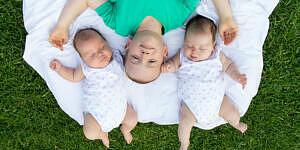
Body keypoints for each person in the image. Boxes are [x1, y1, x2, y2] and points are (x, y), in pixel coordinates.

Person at [49, 0, 238, 83]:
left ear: (128, 46)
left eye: (135, 58)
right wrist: (226, 17)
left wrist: (63, 26)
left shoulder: (118, 23)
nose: (145, 55)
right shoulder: (178, 17)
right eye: (152, 61)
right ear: (165, 52)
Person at [162, 15, 247, 150]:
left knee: (232, 112)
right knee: (184, 122)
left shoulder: (216, 56)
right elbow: (174, 64)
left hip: (218, 102)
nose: (194, 51)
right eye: (190, 46)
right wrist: (167, 67)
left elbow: (228, 66)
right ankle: (184, 143)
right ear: (184, 43)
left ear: (213, 46)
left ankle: (236, 123)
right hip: (190, 106)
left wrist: (237, 76)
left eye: (202, 48)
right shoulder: (182, 55)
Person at [49, 28, 137, 147]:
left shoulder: (117, 57)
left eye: (102, 47)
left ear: (107, 43)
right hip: (96, 114)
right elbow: (74, 76)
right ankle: (101, 134)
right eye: (92, 55)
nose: (100, 54)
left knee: (132, 119)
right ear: (83, 60)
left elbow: (130, 62)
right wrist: (60, 68)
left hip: (121, 109)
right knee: (90, 133)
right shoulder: (86, 68)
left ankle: (126, 129)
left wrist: (132, 47)